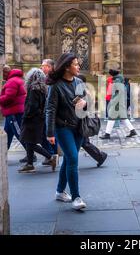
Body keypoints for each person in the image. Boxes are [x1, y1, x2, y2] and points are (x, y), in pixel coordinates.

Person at [46, 53, 88, 210]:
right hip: (62, 128)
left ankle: (59, 191)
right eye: (75, 64)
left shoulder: (78, 82)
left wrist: (85, 103)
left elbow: (86, 103)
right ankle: (76, 197)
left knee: (69, 159)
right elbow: (50, 110)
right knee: (73, 158)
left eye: (78, 64)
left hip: (78, 126)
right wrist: (49, 133)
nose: (78, 67)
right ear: (66, 67)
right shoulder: (55, 86)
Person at [18, 68, 58, 173]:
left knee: (28, 141)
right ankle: (30, 164)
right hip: (39, 119)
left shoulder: (33, 89)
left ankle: (49, 157)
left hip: (32, 119)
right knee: (29, 141)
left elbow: (32, 106)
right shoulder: (44, 89)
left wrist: (26, 116)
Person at [76, 74, 108, 167]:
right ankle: (100, 156)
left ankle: (100, 156)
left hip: (82, 120)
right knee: (84, 142)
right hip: (82, 119)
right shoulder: (84, 90)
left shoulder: (82, 91)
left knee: (83, 142)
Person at [99, 66, 137, 139]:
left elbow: (117, 93)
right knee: (123, 118)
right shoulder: (119, 80)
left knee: (111, 117)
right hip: (119, 102)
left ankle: (107, 134)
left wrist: (113, 102)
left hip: (117, 103)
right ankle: (132, 131)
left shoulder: (117, 81)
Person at [0, 67, 27, 150]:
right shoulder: (18, 79)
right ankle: (3, 153)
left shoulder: (12, 81)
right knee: (7, 133)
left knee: (19, 134)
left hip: (14, 112)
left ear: (4, 73)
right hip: (13, 111)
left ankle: (31, 155)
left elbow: (9, 97)